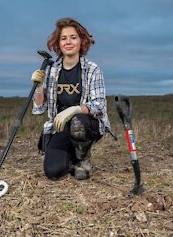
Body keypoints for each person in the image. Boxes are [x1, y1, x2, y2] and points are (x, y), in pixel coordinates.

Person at [31, 17, 112, 180]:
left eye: (73, 37)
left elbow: (100, 106)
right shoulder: (52, 70)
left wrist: (74, 109)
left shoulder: (92, 69)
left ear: (81, 41)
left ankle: (83, 160)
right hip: (60, 126)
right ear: (58, 43)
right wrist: (38, 88)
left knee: (78, 122)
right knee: (53, 172)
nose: (68, 42)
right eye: (63, 38)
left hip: (86, 123)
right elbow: (39, 108)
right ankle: (72, 155)